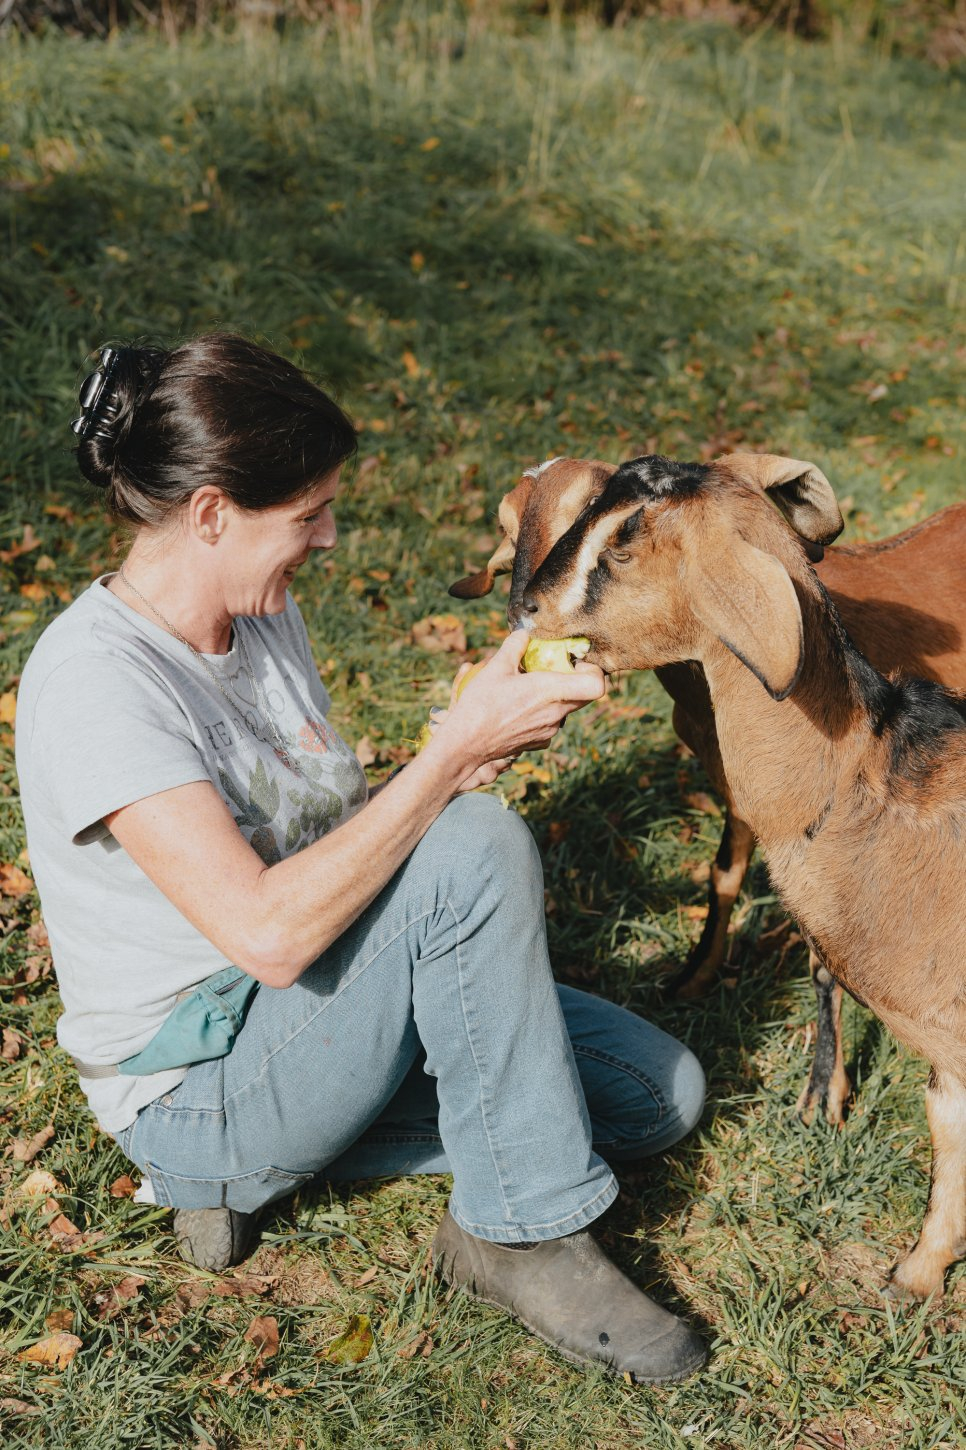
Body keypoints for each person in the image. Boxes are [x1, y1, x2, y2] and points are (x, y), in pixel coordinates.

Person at [15, 333, 708, 1384]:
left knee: (662, 1095)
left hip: (322, 1008)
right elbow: (267, 932)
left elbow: (339, 848)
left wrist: (491, 701)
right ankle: (516, 1231)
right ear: (211, 514)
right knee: (468, 844)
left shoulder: (259, 616)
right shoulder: (96, 684)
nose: (330, 536)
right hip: (200, 1087)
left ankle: (332, 1163)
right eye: (307, 516)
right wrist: (451, 758)